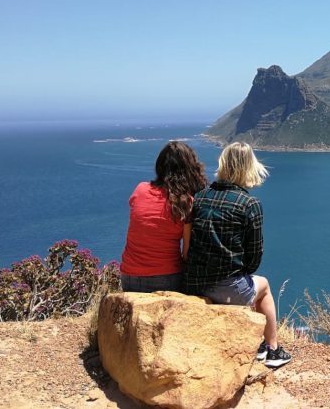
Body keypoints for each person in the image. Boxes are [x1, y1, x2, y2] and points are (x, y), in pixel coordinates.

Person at [183, 142, 291, 369]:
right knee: (264, 287)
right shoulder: (249, 204)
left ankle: (260, 345)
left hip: (193, 284)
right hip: (228, 290)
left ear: (223, 164)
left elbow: (189, 242)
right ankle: (271, 349)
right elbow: (253, 260)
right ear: (249, 167)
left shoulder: (200, 196)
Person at [120, 141, 207, 292]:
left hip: (129, 277)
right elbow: (186, 253)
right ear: (188, 169)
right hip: (167, 278)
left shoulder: (140, 190)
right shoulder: (186, 202)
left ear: (159, 166)